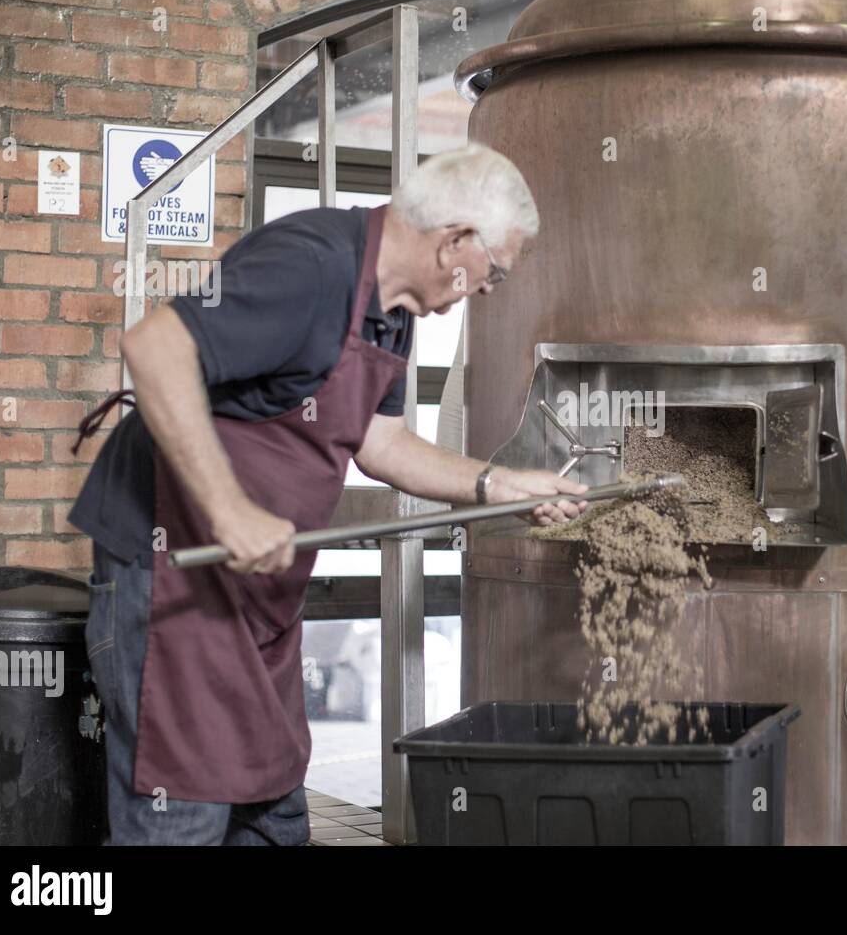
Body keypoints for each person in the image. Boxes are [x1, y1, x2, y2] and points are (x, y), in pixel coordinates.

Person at [68, 143, 587, 845]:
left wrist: (500, 484)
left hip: (256, 599)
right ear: (454, 242)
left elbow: (381, 444)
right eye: (493, 271)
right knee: (181, 814)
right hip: (173, 581)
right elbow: (155, 347)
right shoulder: (310, 265)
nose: (489, 288)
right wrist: (229, 510)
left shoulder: (392, 310)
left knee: (273, 814)